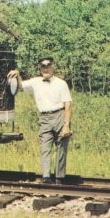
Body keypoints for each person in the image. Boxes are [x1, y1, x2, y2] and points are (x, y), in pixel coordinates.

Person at [7, 55, 73, 184]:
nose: (46, 69)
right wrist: (17, 74)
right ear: (40, 68)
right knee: (45, 147)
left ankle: (59, 178)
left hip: (59, 115)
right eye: (43, 67)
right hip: (44, 118)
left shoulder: (61, 83)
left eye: (48, 66)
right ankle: (46, 177)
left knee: (61, 147)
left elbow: (68, 105)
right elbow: (20, 87)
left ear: (52, 67)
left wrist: (66, 124)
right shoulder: (35, 81)